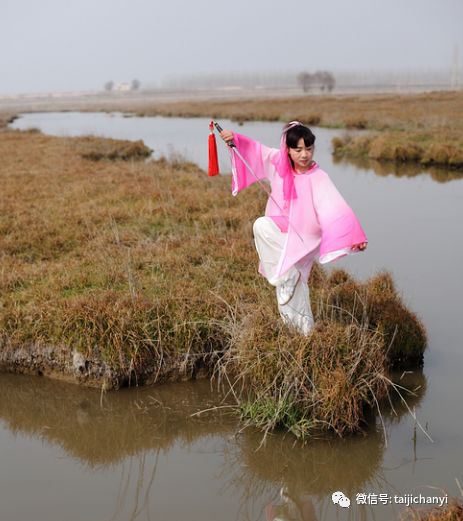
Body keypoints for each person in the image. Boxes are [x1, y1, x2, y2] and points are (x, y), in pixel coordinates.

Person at [219, 121, 367, 336]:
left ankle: (305, 334)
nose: (304, 155)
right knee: (263, 229)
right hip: (283, 232)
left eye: (309, 148)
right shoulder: (279, 164)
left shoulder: (318, 177)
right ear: (287, 150)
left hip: (305, 237)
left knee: (292, 280)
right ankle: (296, 331)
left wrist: (354, 238)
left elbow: (335, 208)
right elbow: (256, 151)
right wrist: (234, 139)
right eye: (298, 150)